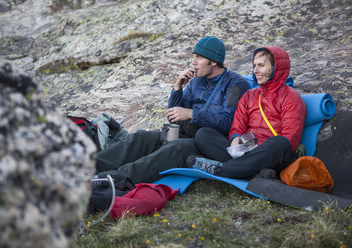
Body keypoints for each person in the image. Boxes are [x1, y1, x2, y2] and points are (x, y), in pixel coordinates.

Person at [94, 36, 250, 184]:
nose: (193, 62)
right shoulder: (197, 81)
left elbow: (228, 123)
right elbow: (174, 116)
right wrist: (177, 87)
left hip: (208, 142)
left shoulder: (235, 85)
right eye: (194, 56)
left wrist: (192, 114)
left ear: (214, 61)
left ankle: (111, 181)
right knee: (142, 138)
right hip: (187, 132)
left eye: (199, 58)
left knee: (171, 150)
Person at [188, 46, 307, 179]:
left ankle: (225, 170)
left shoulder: (291, 97)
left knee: (281, 142)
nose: (255, 70)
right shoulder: (250, 95)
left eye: (261, 65)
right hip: (246, 151)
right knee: (203, 134)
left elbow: (290, 139)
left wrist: (260, 150)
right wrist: (235, 138)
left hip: (271, 154)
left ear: (276, 68)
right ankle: (257, 173)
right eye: (254, 65)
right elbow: (237, 125)